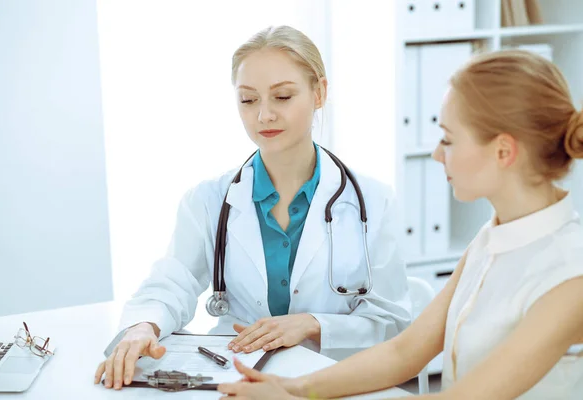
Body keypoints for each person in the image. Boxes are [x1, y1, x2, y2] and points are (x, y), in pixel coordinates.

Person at [217, 49, 583, 399]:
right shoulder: (493, 239)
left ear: (504, 151)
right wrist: (290, 388)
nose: (437, 154)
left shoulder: (570, 276)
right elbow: (403, 353)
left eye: (448, 139)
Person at [94, 25, 411, 390]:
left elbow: (393, 323)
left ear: (319, 92)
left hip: (330, 382)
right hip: (236, 378)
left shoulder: (371, 201)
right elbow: (171, 283)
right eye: (248, 100)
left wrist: (314, 324)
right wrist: (142, 326)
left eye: (283, 97)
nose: (264, 116)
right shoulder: (210, 200)